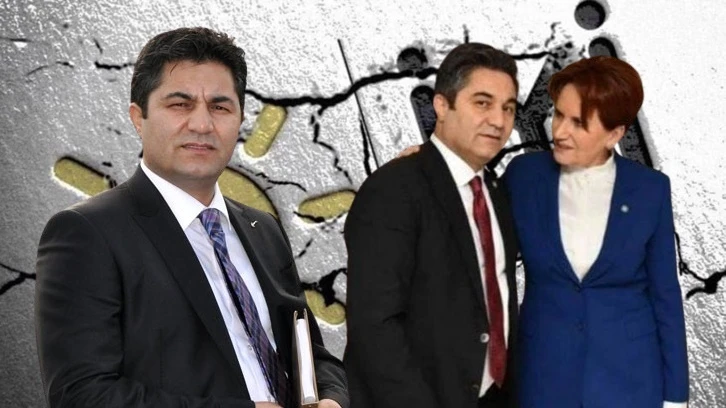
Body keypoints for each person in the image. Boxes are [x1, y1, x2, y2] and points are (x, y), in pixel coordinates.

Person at [35, 27, 348, 408]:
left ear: (239, 119)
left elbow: (311, 353)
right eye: (180, 105)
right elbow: (81, 395)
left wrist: (331, 397)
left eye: (220, 107)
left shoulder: (263, 229)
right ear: (138, 117)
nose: (202, 124)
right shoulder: (88, 234)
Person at [504, 56, 689, 407]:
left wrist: (676, 397)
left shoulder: (650, 189)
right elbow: (471, 223)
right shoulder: (524, 176)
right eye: (558, 114)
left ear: (614, 135)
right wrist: (425, 164)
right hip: (542, 376)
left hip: (631, 380)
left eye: (578, 122)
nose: (559, 131)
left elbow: (665, 294)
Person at [344, 43, 520, 408]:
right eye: (482, 103)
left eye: (508, 107)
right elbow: (375, 327)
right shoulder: (394, 188)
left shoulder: (496, 191)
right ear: (441, 105)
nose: (499, 120)